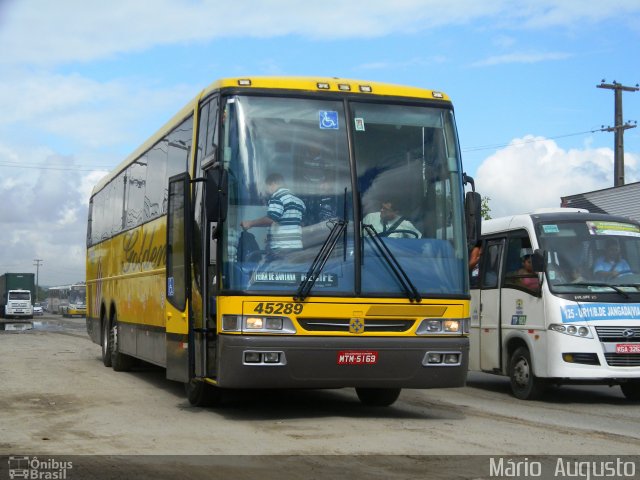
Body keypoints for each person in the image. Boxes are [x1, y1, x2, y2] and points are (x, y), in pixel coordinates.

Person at [240, 173, 306, 254]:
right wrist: (271, 236)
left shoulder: (278, 197)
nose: (267, 190)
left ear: (273, 184)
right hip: (297, 247)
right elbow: (301, 224)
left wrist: (250, 223)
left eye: (267, 186)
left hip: (281, 248)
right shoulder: (299, 201)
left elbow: (271, 219)